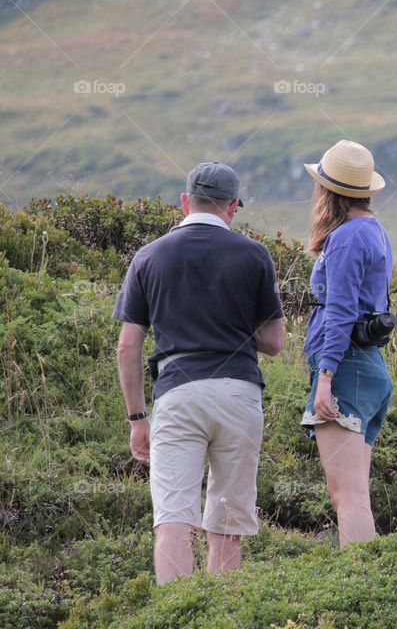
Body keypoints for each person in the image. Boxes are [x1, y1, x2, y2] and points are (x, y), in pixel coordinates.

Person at [114, 161, 285, 584]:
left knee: (173, 516)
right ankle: (221, 615)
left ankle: (176, 613)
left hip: (177, 394)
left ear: (185, 201)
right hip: (239, 395)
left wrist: (138, 418)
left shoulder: (149, 256)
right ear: (233, 207)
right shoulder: (254, 254)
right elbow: (275, 343)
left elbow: (127, 346)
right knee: (227, 519)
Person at [300, 140, 394, 547]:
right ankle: (365, 585)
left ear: (328, 191)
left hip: (346, 369)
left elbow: (340, 313)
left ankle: (359, 591)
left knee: (347, 495)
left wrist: (325, 377)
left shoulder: (347, 238)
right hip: (367, 367)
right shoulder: (373, 231)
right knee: (355, 493)